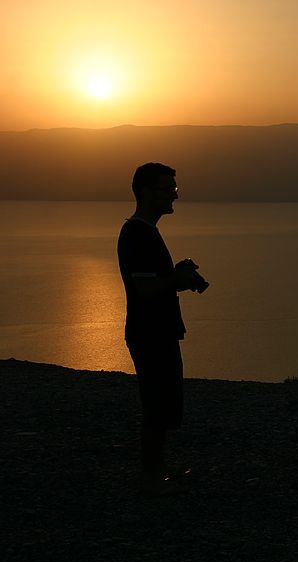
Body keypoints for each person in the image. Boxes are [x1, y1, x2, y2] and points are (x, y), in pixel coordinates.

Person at [117, 162, 209, 496]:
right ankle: (149, 477)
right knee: (156, 402)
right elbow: (145, 289)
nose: (174, 194)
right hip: (148, 331)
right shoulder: (137, 234)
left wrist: (174, 274)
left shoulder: (146, 232)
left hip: (158, 329)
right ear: (146, 192)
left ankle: (156, 467)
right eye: (167, 188)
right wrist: (177, 280)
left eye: (174, 188)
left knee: (164, 399)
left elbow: (153, 280)